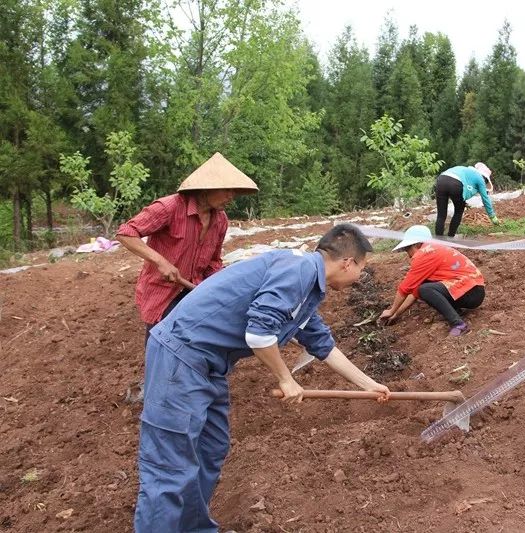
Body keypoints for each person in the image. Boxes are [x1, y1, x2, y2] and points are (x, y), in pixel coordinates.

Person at [133, 224, 390, 532]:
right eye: (362, 268)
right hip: (180, 357)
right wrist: (286, 378)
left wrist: (368, 384)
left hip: (210, 366)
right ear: (348, 262)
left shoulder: (307, 287)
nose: (360, 277)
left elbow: (322, 344)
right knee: (169, 466)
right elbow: (258, 332)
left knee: (210, 449)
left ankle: (193, 528)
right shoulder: (297, 270)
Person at [117, 152, 259, 340]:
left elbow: (213, 262)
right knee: (164, 346)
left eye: (233, 191)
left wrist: (226, 287)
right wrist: (160, 261)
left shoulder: (220, 220)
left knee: (203, 342)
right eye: (227, 190)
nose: (231, 196)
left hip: (195, 290)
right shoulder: (169, 207)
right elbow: (126, 233)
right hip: (163, 291)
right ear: (206, 188)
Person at [379, 225, 485, 337]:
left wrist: (391, 311)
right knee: (424, 287)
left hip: (472, 291)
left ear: (417, 244)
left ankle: (459, 325)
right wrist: (396, 314)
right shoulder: (434, 249)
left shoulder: (426, 253)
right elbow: (414, 292)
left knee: (426, 289)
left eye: (407, 249)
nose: (408, 255)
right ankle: (456, 312)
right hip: (472, 290)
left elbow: (405, 288)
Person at [434, 162, 500, 237]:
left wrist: (463, 202)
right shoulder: (480, 178)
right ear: (484, 177)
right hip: (456, 184)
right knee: (458, 212)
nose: (485, 183)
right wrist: (492, 216)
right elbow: (485, 199)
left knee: (441, 215)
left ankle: (438, 241)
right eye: (486, 181)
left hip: (441, 180)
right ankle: (450, 236)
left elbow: (463, 188)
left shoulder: (466, 171)